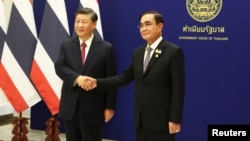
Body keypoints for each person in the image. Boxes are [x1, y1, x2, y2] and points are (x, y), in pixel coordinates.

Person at [85, 11, 185, 141]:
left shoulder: (173, 52)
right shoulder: (138, 52)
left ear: (160, 27)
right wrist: (97, 82)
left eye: (148, 24)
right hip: (141, 121)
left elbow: (178, 89)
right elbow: (124, 77)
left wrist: (175, 119)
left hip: (162, 122)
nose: (144, 28)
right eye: (141, 25)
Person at [54, 7, 117, 141]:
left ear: (94, 24)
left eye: (84, 22)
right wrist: (77, 78)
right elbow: (59, 67)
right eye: (77, 21)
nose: (80, 25)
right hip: (70, 106)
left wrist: (110, 106)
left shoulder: (106, 48)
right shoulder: (66, 45)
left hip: (93, 107)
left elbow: (111, 79)